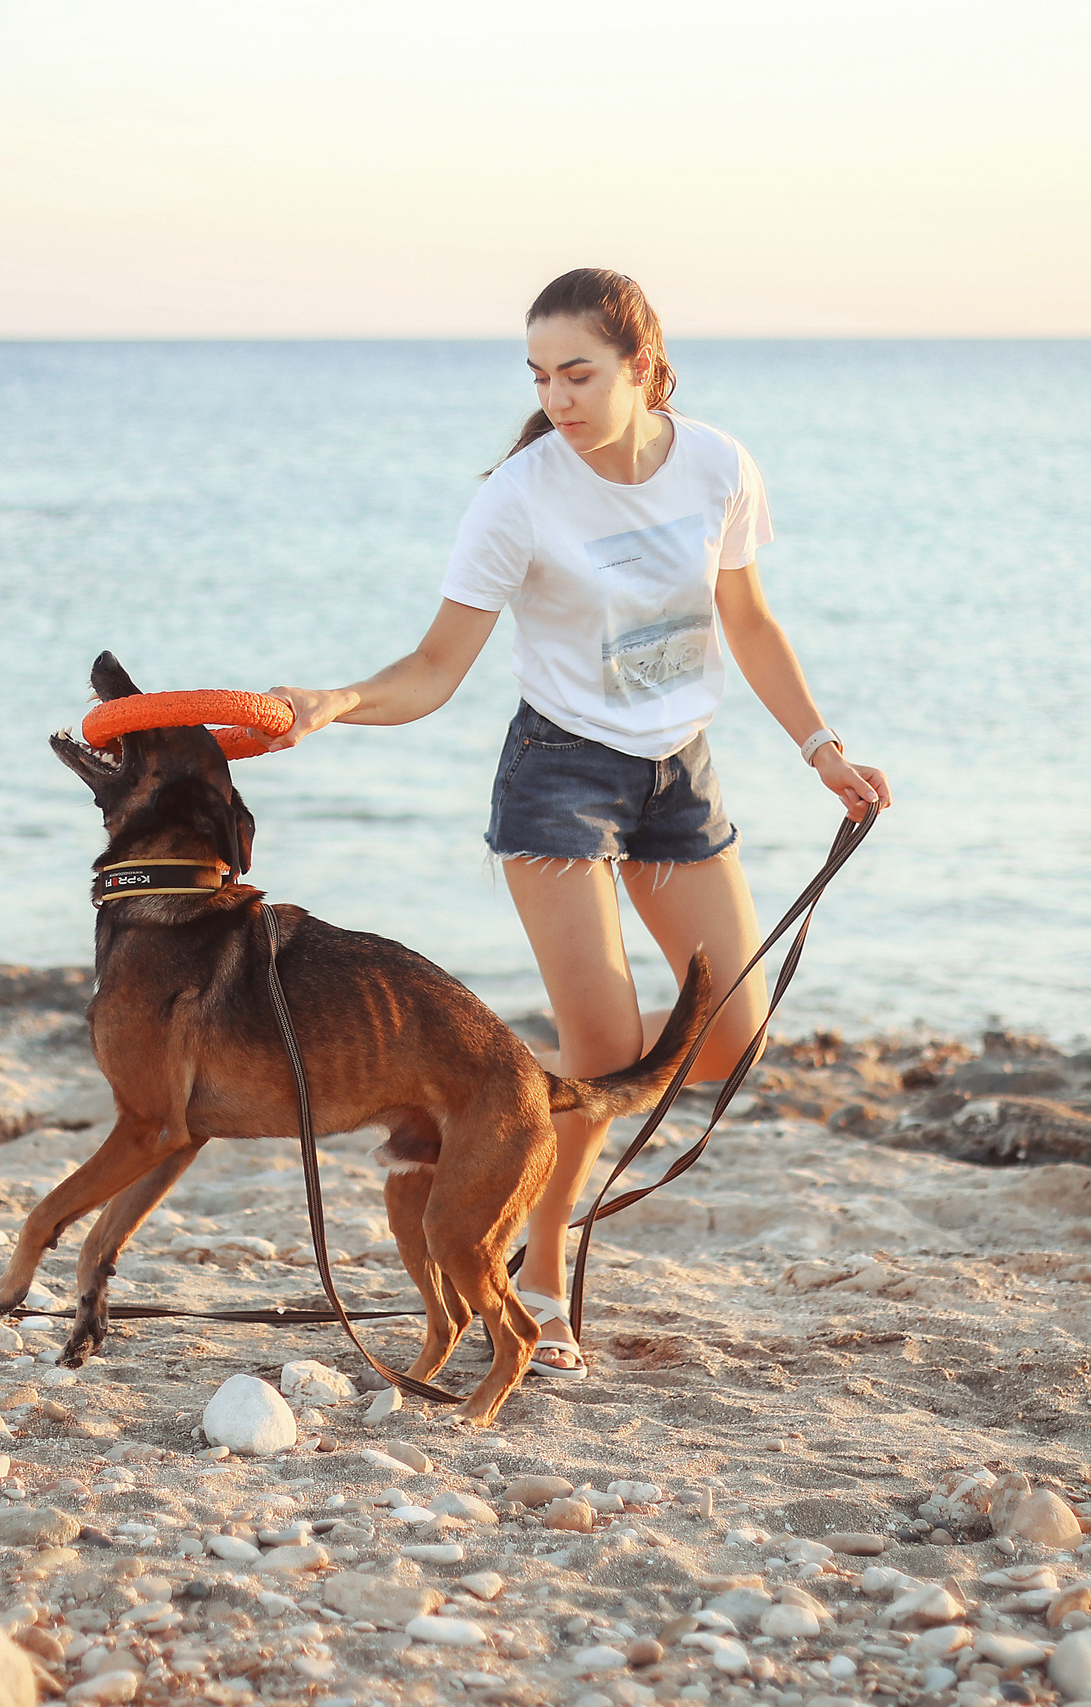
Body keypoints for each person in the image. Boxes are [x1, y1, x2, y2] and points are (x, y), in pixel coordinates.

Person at [266, 267, 889, 1378]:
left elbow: (746, 619)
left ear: (642, 366)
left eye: (579, 373)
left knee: (729, 1037)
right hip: (558, 779)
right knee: (602, 1054)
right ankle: (541, 1284)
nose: (556, 397)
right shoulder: (518, 495)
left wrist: (821, 749)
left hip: (678, 778)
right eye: (541, 375)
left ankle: (480, 1116)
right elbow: (434, 664)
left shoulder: (717, 465)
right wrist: (336, 704)